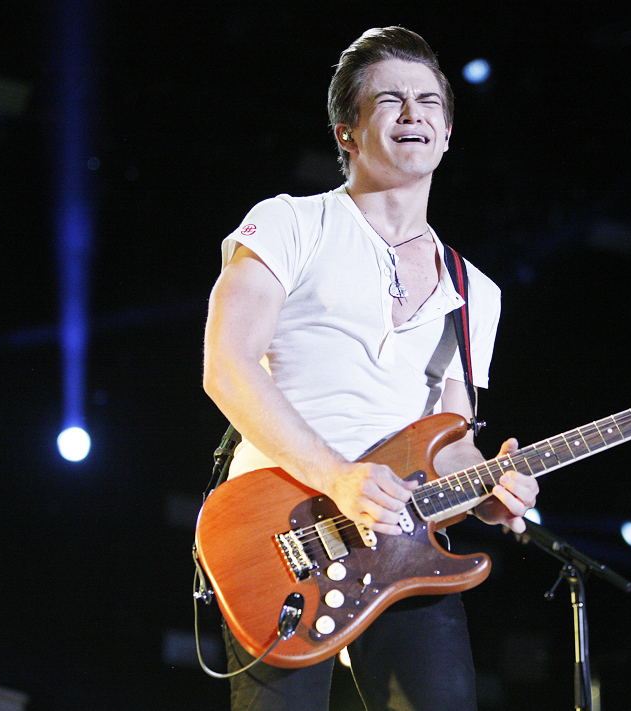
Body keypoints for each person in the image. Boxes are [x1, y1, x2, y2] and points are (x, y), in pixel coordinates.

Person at [202, 26, 539, 711]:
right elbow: (226, 366)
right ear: (347, 133)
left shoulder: (477, 292)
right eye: (390, 100)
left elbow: (452, 439)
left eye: (428, 102)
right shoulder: (288, 224)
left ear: (446, 135)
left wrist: (489, 488)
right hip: (285, 530)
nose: (413, 113)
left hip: (405, 545)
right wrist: (337, 477)